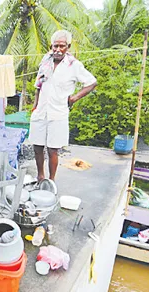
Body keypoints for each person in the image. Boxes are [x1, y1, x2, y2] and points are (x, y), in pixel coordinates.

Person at [30, 30, 97, 182]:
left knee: (53, 149)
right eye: (55, 46)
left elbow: (92, 83)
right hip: (41, 111)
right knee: (37, 146)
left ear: (68, 47)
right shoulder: (45, 61)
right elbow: (38, 85)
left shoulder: (74, 65)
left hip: (58, 113)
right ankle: (40, 176)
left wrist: (74, 98)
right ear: (51, 46)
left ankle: (51, 181)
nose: (58, 50)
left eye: (62, 46)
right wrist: (35, 106)